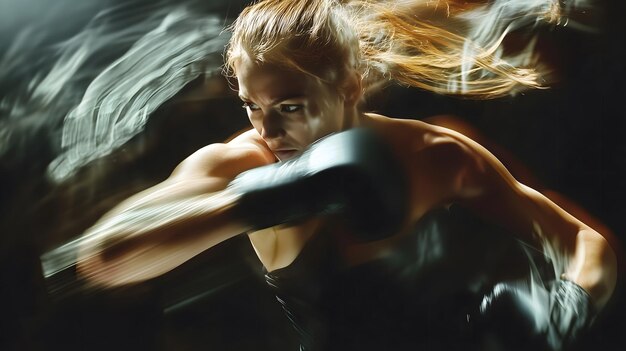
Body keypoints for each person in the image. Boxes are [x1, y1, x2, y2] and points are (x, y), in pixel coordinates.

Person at [71, 0, 617, 350]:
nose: (266, 130)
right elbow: (105, 257)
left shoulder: (437, 154)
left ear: (350, 86)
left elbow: (586, 243)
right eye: (250, 108)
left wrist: (563, 312)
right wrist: (270, 197)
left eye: (288, 106)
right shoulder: (246, 163)